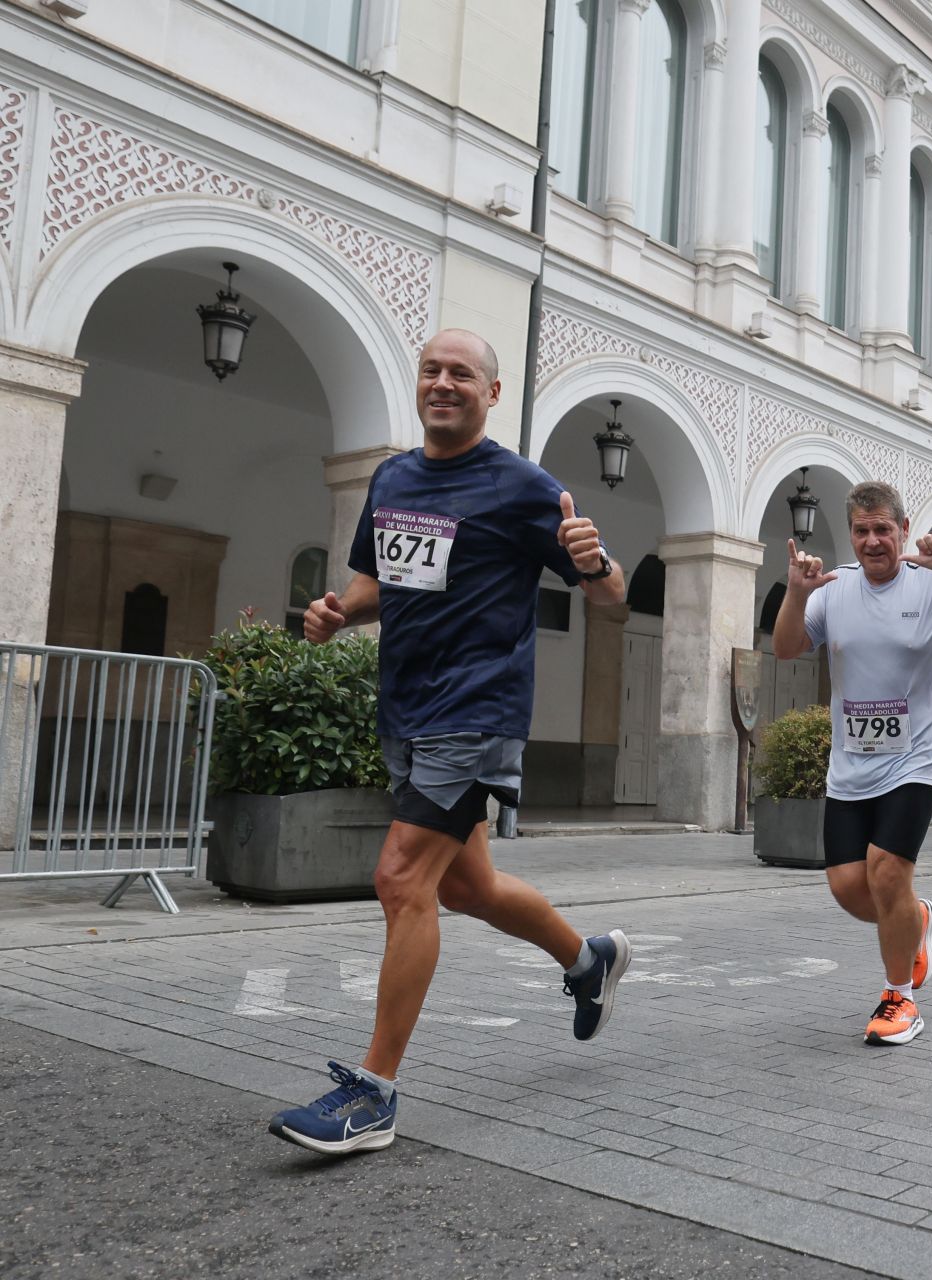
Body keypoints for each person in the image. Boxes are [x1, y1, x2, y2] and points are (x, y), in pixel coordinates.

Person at [270, 329, 633, 1156]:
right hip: (406, 706)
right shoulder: (394, 476)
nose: (443, 383)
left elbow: (609, 594)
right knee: (466, 887)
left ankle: (374, 1095)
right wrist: (338, 612)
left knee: (401, 880)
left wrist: (595, 558)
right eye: (432, 371)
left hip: (475, 711)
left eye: (461, 374)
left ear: (491, 394)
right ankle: (589, 961)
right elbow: (377, 583)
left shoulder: (520, 486)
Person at [774, 483, 932, 1046]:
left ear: (903, 531)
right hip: (852, 762)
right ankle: (918, 920)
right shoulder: (833, 590)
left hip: (918, 756)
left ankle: (898, 998)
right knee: (849, 887)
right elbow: (786, 648)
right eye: (862, 530)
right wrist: (794, 593)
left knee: (886, 870)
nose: (872, 541)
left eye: (883, 529)